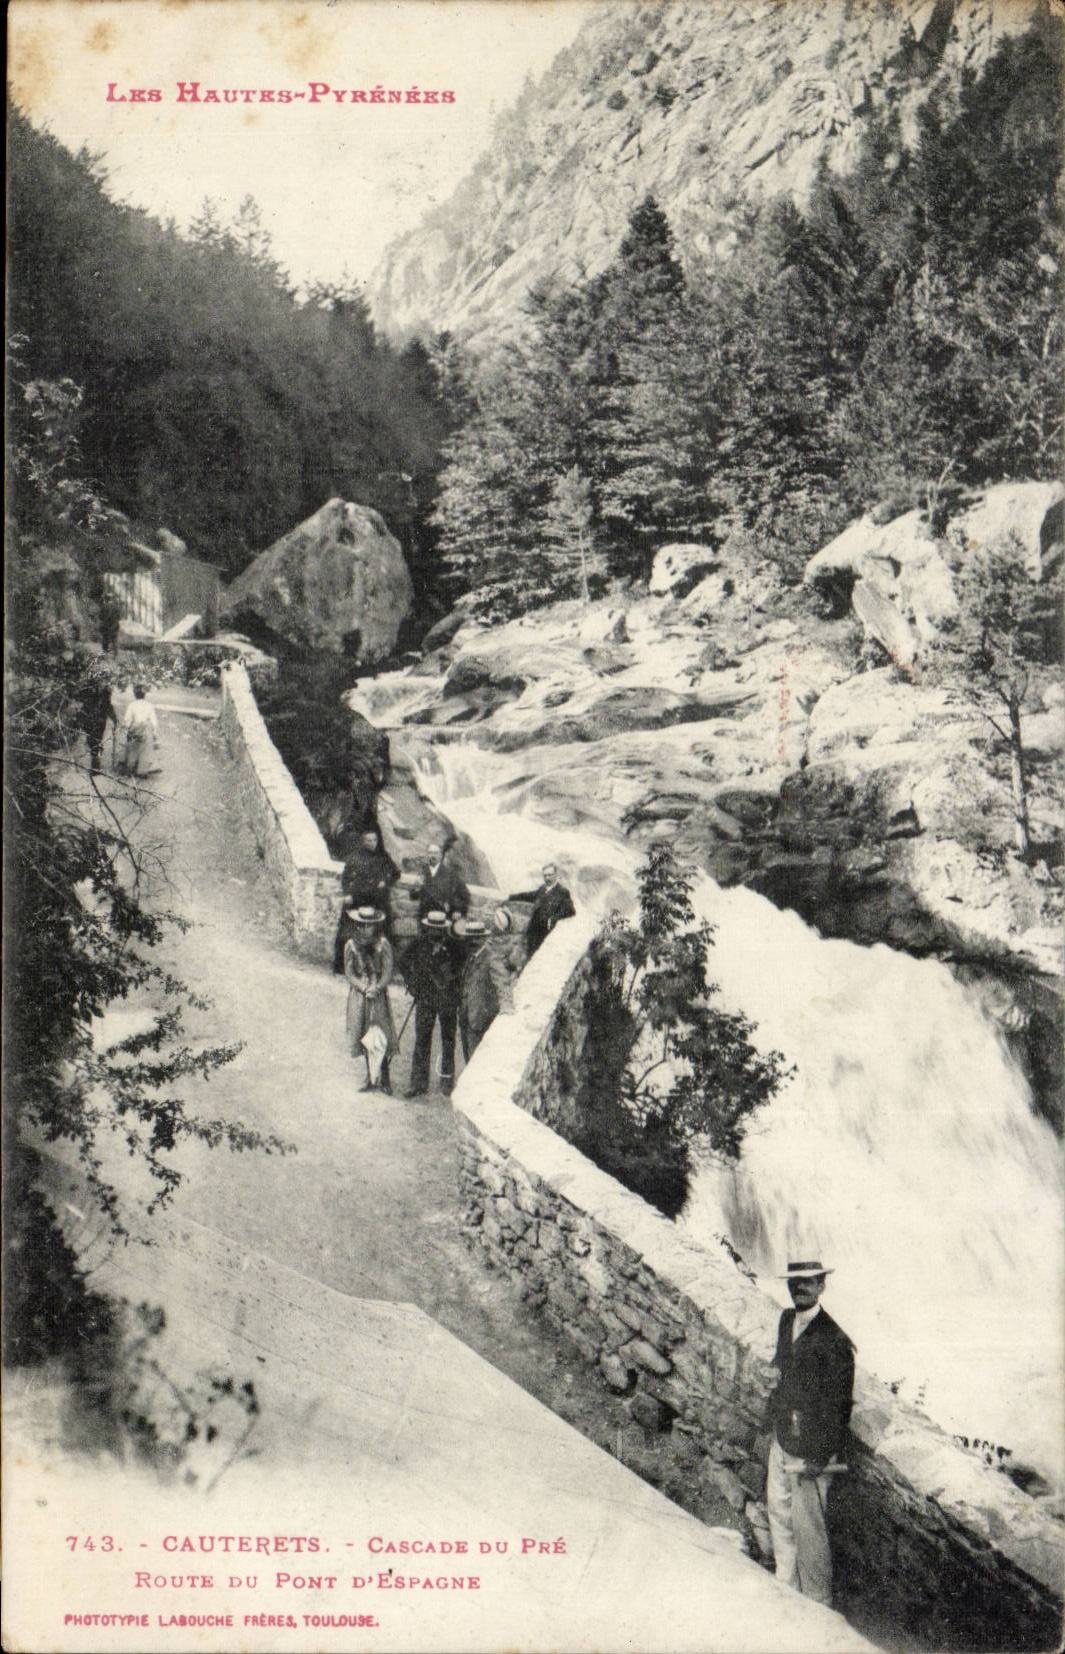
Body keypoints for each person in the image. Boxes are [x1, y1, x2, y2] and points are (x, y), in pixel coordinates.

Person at [765, 1258, 855, 1608]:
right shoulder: (787, 1319)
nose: (799, 1287)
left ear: (821, 1286)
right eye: (794, 1282)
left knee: (810, 1532)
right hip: (783, 1436)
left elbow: (839, 1406)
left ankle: (818, 1605)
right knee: (779, 1515)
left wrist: (821, 1456)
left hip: (811, 1450)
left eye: (807, 1282)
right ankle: (786, 1591)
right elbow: (782, 1364)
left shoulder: (835, 1341)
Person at [403, 910, 461, 1098]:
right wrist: (412, 984)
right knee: (422, 1039)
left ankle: (447, 1081)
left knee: (448, 1040)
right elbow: (403, 961)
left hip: (447, 1000)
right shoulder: (420, 943)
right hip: (425, 998)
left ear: (444, 928)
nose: (434, 932)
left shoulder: (454, 945)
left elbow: (463, 968)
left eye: (438, 928)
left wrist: (453, 985)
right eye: (431, 928)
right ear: (428, 927)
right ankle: (418, 1083)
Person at [343, 907, 397, 1094]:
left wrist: (377, 987)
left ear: (375, 926)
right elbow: (349, 972)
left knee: (379, 1034)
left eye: (369, 926)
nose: (365, 929)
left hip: (377, 996)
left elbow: (388, 971)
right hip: (360, 995)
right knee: (363, 1033)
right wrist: (362, 987)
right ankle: (369, 1076)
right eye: (361, 925)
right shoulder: (351, 945)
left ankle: (385, 1077)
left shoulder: (383, 944)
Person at [457, 907, 523, 1061]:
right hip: (466, 1015)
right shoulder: (470, 956)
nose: (469, 943)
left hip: (480, 1019)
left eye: (472, 940)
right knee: (468, 1058)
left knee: (477, 1061)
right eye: (467, 939)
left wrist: (507, 1005)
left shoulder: (491, 957)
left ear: (481, 939)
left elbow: (501, 981)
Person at [333, 826, 401, 973]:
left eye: (375, 840)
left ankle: (380, 968)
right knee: (349, 930)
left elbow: (396, 873)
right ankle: (345, 966)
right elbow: (346, 878)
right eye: (369, 840)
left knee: (380, 933)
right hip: (358, 900)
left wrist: (385, 881)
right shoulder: (354, 857)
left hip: (377, 900)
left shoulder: (383, 857)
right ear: (363, 841)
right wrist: (347, 894)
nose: (373, 843)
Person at [507, 861, 575, 957]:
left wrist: (554, 918)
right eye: (545, 875)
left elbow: (570, 910)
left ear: (555, 875)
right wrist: (511, 897)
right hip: (533, 933)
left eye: (550, 875)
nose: (547, 878)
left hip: (546, 934)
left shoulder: (562, 892)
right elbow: (529, 895)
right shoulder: (542, 889)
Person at [412, 840, 470, 923]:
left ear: (440, 855)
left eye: (435, 853)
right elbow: (413, 896)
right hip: (425, 916)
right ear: (427, 855)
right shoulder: (423, 871)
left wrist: (458, 910)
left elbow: (465, 894)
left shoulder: (450, 873)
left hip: (443, 917)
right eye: (430, 853)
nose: (432, 856)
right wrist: (416, 887)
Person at [76, 663, 117, 775]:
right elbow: (80, 699)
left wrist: (114, 718)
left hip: (99, 719)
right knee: (92, 741)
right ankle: (96, 759)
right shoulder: (89, 689)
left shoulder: (106, 691)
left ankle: (95, 765)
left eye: (104, 679)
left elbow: (108, 705)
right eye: (101, 679)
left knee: (95, 740)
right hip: (90, 718)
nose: (103, 682)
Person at [120, 683, 161, 778]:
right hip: (145, 728)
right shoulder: (149, 705)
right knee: (144, 749)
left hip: (135, 727)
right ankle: (142, 771)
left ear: (135, 694)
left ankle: (130, 769)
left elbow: (127, 719)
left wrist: (126, 727)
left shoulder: (132, 705)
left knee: (133, 747)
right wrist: (154, 731)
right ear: (144, 695)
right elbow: (154, 720)